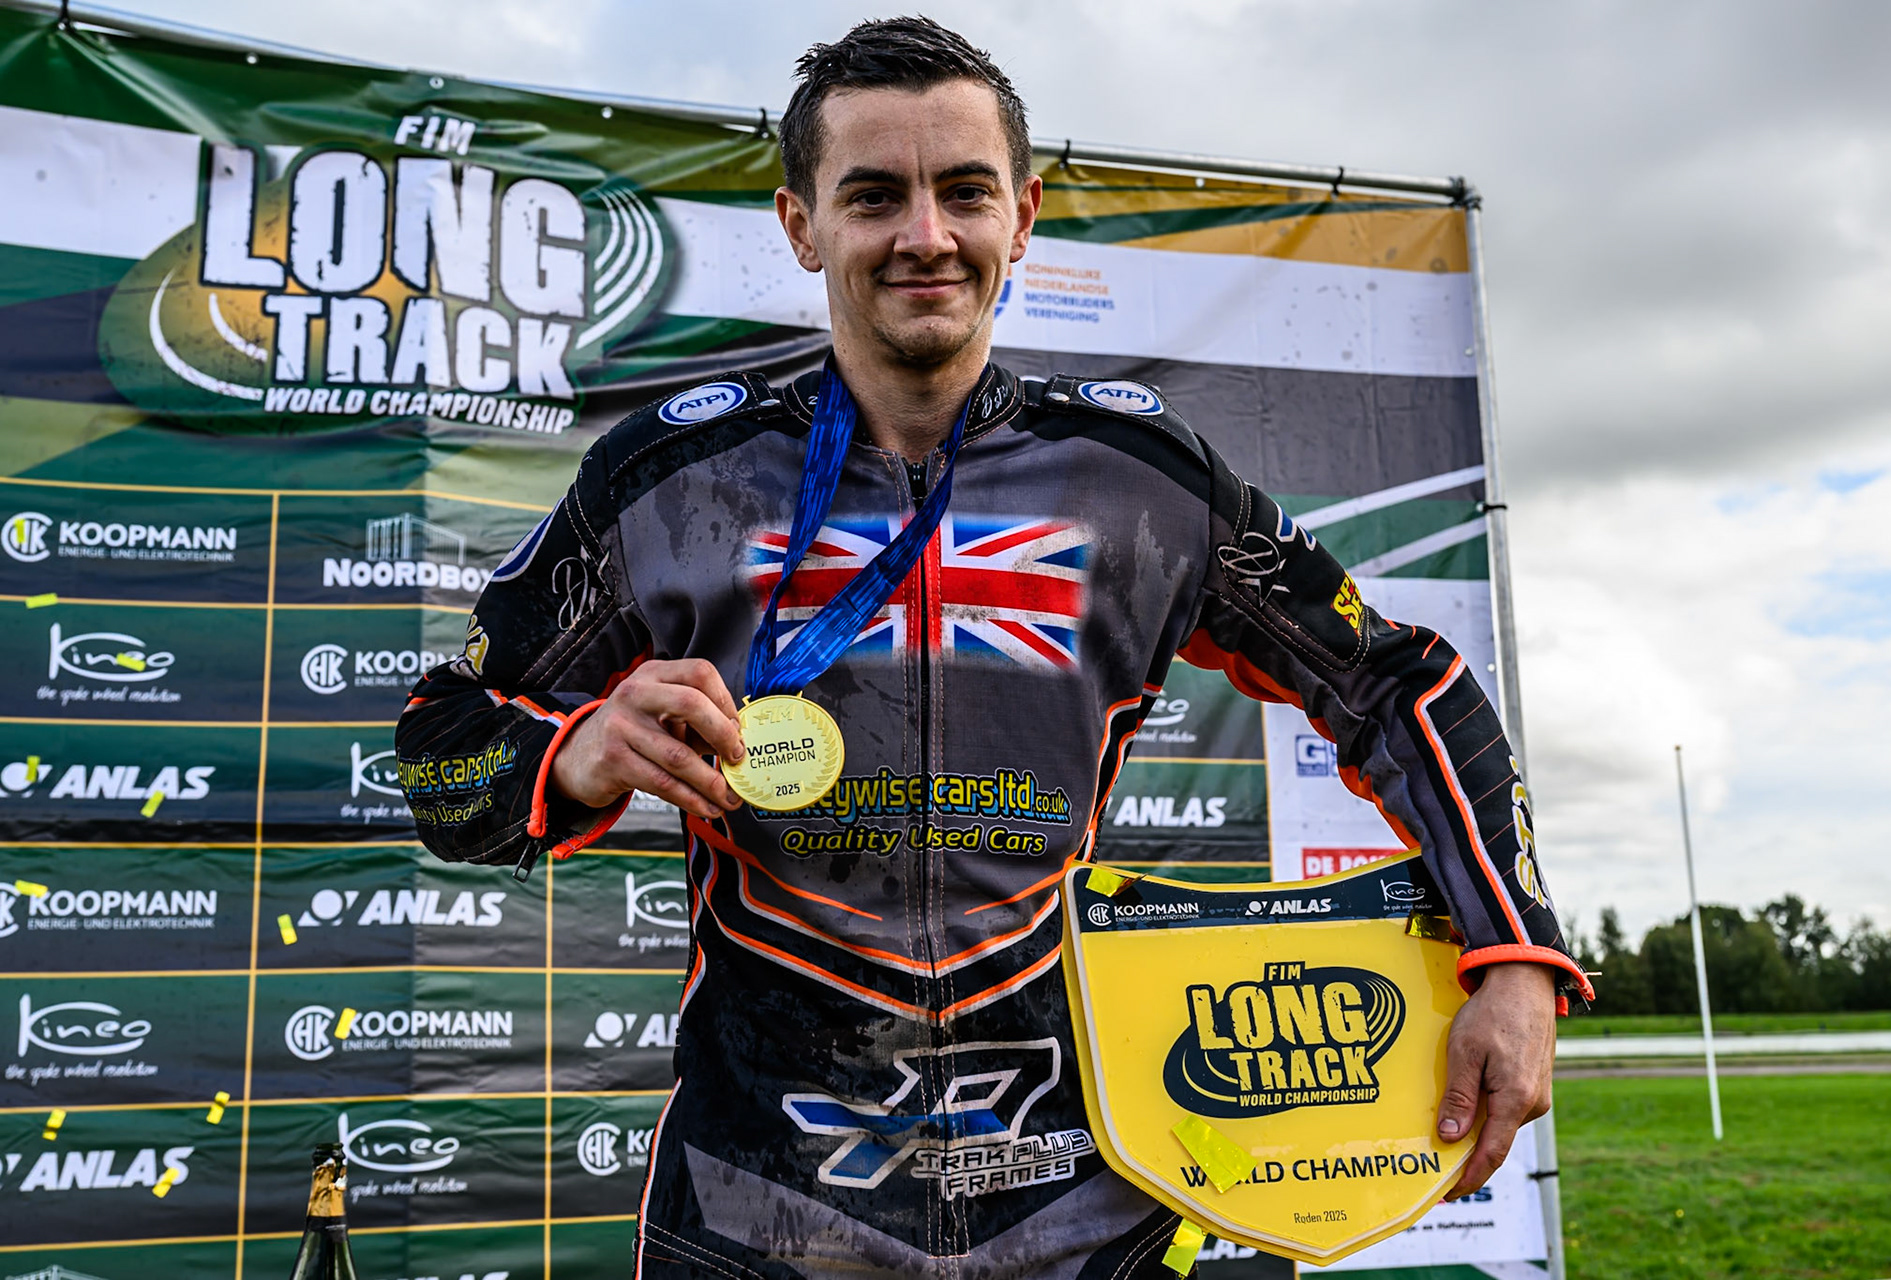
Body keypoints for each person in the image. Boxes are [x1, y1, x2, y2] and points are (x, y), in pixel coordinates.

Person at [396, 16, 1591, 1278]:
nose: (926, 236)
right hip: (761, 1201)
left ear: (1021, 215)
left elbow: (1393, 678)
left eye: (963, 192)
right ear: (802, 225)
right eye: (874, 196)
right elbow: (440, 749)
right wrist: (575, 751)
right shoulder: (666, 476)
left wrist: (1510, 950)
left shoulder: (1140, 478)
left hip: (1087, 1194)